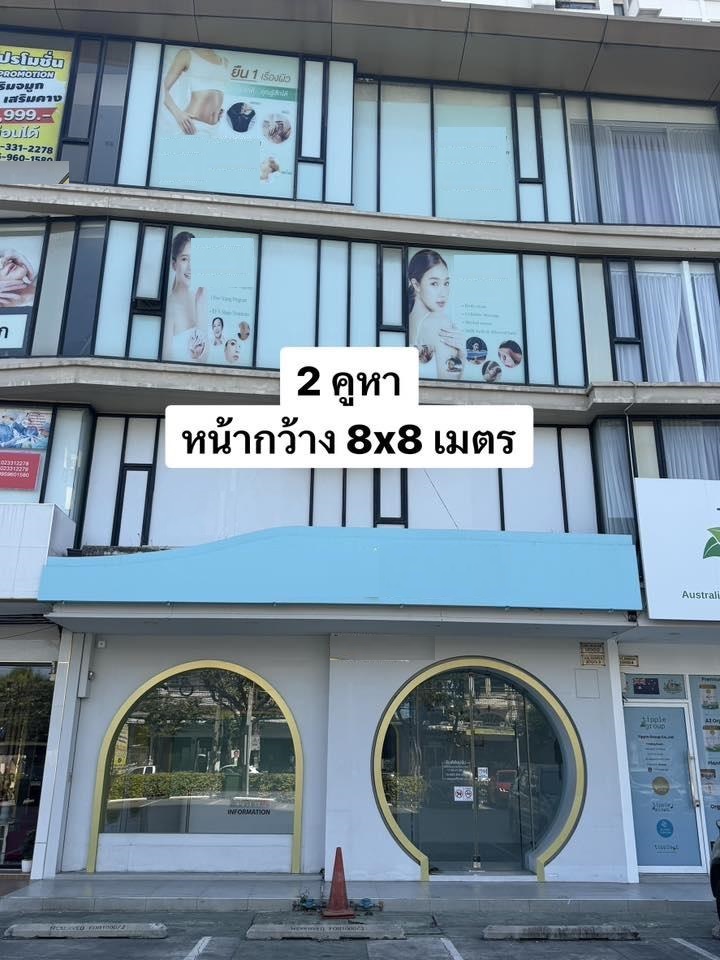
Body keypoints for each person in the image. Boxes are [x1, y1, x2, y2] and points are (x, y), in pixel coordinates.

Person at [408, 249, 464, 381]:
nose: (443, 293)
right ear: (416, 284)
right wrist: (462, 355)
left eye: (446, 283)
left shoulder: (407, 320)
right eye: (434, 283)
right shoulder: (438, 321)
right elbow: (449, 385)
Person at [163, 231, 207, 363]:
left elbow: (204, 360)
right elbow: (165, 363)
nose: (190, 267)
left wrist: (199, 304)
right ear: (174, 264)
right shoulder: (169, 307)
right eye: (184, 259)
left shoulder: (199, 300)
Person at [162, 48, 228, 135]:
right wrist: (178, 114)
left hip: (215, 128)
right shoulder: (187, 54)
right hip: (192, 126)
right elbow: (162, 89)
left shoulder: (224, 61)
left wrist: (216, 109)